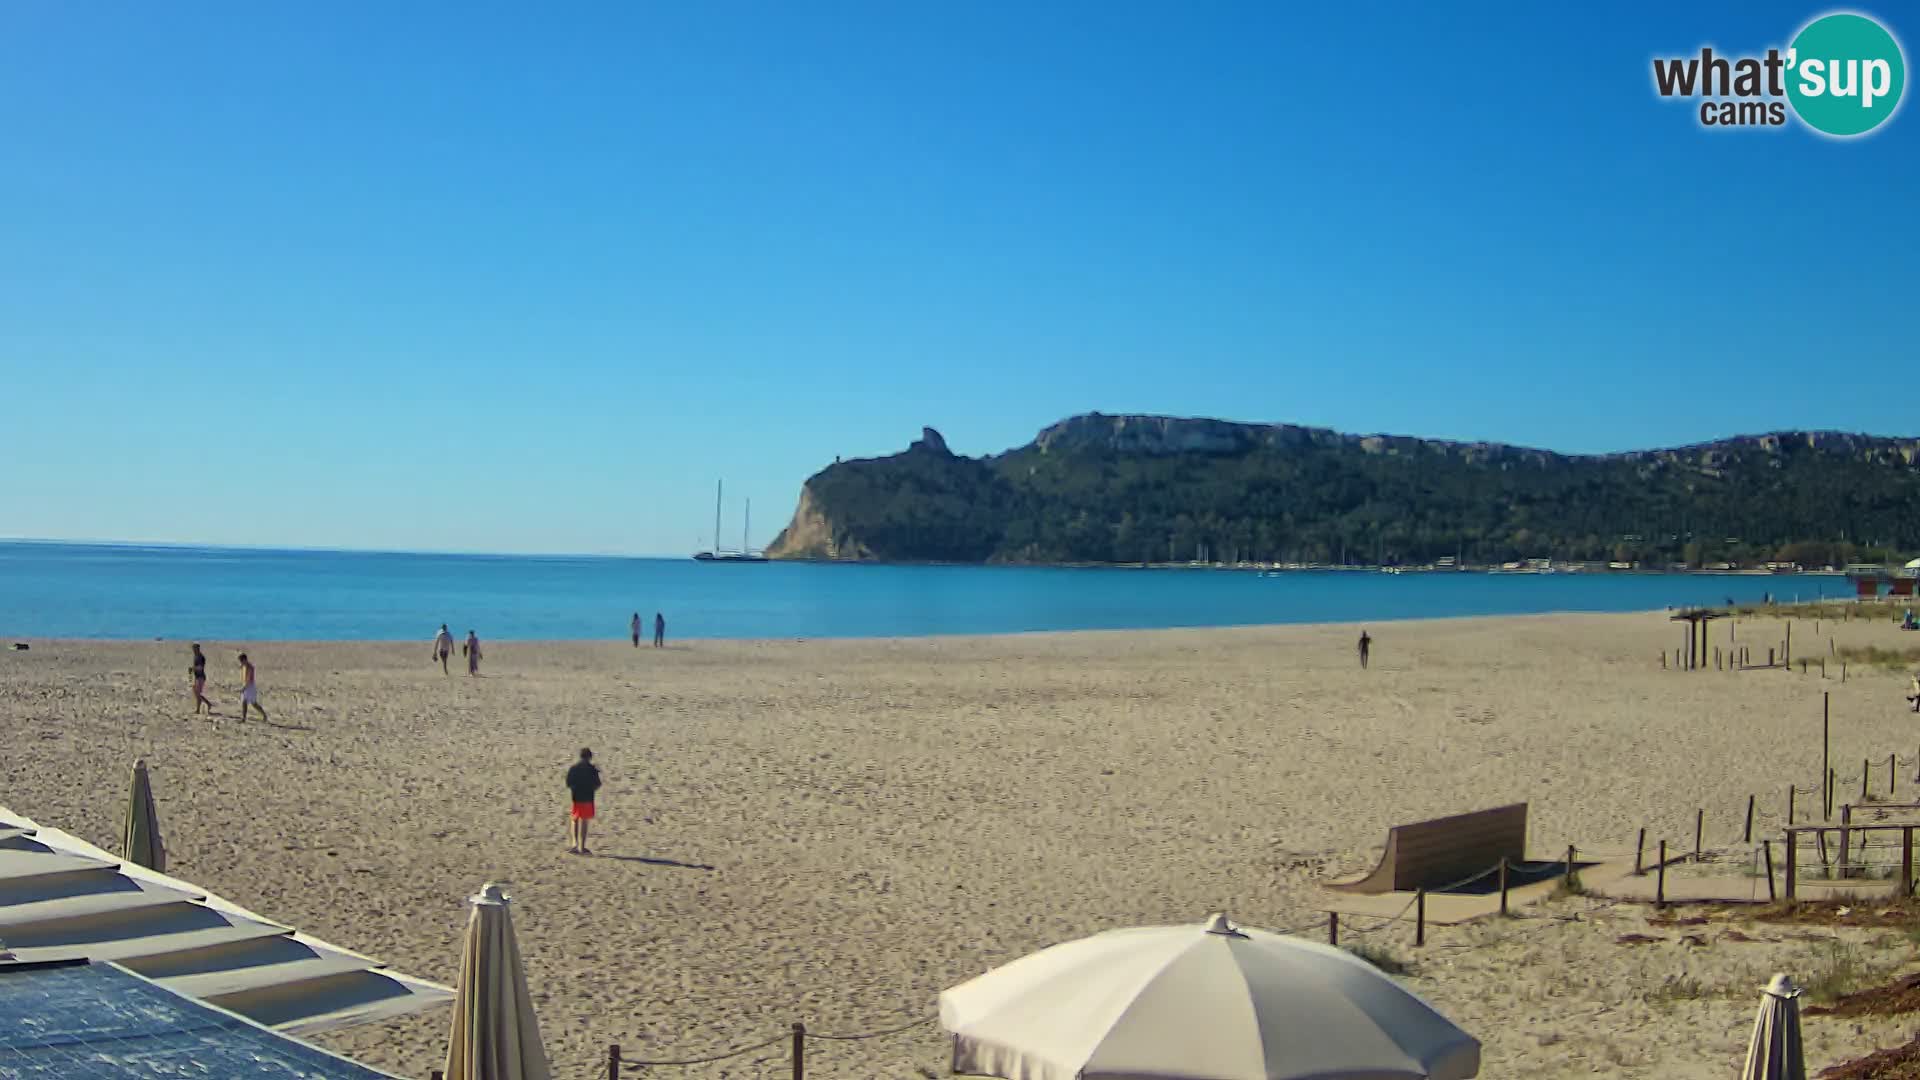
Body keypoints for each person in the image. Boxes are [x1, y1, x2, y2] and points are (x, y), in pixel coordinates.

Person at [565, 748, 602, 855]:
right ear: (589, 757)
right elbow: (597, 784)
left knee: (575, 819)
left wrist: (575, 788)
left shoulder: (574, 768)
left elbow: (568, 783)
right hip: (588, 798)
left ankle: (574, 844)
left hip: (576, 797)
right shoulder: (592, 769)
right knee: (584, 821)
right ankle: (582, 846)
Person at [237, 652, 267, 722]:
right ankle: (243, 718)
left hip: (250, 686)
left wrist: (244, 688)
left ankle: (264, 715)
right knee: (244, 702)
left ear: (244, 659)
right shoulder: (244, 666)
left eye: (241, 661)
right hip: (246, 685)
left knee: (253, 704)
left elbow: (248, 679)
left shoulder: (249, 667)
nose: (240, 662)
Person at [189, 644, 212, 714]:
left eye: (194, 649)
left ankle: (203, 706)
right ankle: (203, 707)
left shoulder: (201, 657)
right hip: (196, 677)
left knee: (198, 693)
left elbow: (201, 668)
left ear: (197, 648)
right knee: (196, 693)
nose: (193, 650)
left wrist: (193, 668)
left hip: (201, 677)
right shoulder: (196, 656)